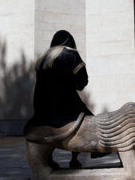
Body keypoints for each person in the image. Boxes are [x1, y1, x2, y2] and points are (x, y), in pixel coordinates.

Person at [28, 30, 92, 168]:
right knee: (88, 122)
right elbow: (82, 82)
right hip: (65, 105)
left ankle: (49, 159)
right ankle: (74, 159)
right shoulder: (71, 54)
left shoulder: (44, 58)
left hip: (42, 108)